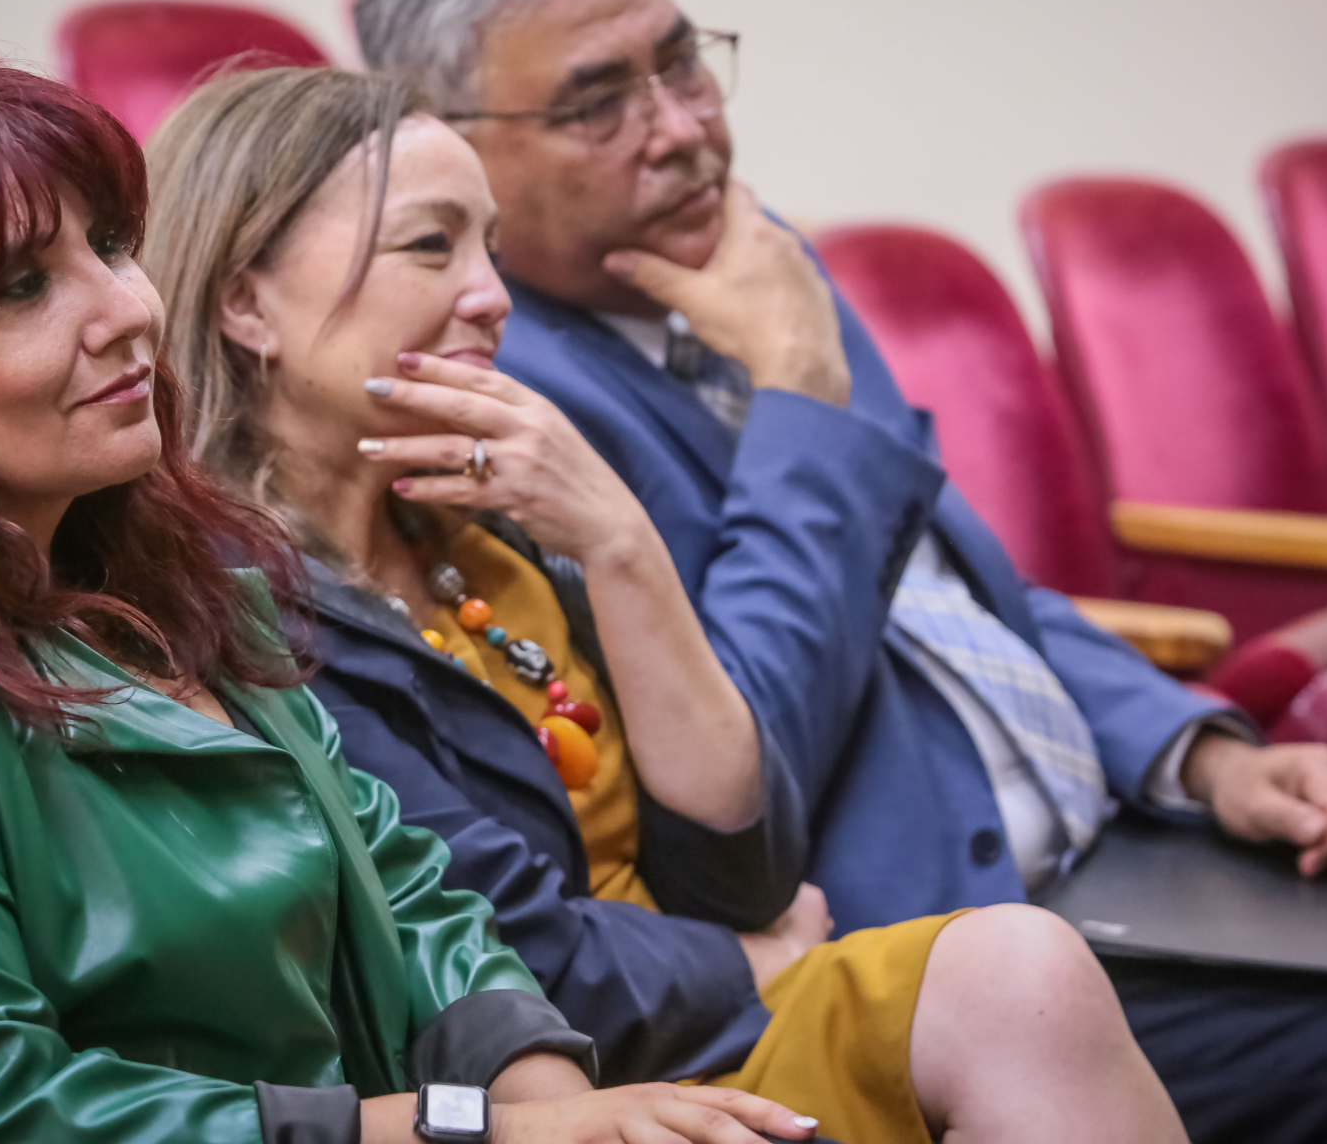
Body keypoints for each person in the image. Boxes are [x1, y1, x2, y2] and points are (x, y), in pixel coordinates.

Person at [351, 0, 1327, 1144]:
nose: (680, 127)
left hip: (1124, 851)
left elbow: (957, 583)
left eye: (682, 62)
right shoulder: (503, 403)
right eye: (597, 102)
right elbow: (743, 790)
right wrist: (802, 397)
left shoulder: (756, 264)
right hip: (945, 943)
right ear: (445, 138)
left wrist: (1202, 754)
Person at [0, 61, 836, 1144]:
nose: (129, 309)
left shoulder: (168, 583)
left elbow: (410, 894)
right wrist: (470, 1127)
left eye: (111, 246)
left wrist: (555, 1107)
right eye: (22, 287)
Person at [144, 62, 1188, 1144]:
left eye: (491, 247)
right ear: (245, 302)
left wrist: (621, 544)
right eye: (430, 245)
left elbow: (741, 869)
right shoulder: (232, 605)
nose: (493, 295)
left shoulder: (479, 534)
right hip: (542, 1091)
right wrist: (748, 960)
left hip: (700, 1020)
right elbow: (502, 952)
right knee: (1019, 976)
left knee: (1025, 980)